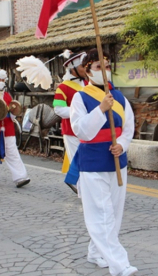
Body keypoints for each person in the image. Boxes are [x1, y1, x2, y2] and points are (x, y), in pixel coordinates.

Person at [69, 48, 137, 276]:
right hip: (92, 161)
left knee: (114, 213)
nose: (105, 71)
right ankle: (120, 265)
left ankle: (96, 252)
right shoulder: (80, 97)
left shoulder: (119, 97)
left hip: (117, 160)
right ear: (87, 71)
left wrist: (123, 145)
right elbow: (81, 131)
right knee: (102, 213)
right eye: (99, 67)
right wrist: (100, 110)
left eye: (107, 67)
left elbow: (128, 128)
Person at [0, 69, 30, 188]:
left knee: (12, 152)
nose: (1, 82)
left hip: (7, 129)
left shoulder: (7, 96)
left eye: (3, 80)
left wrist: (14, 111)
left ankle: (21, 177)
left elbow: (12, 113)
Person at [53, 51, 87, 193]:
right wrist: (79, 112)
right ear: (73, 68)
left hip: (87, 129)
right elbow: (58, 109)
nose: (86, 69)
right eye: (83, 66)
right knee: (78, 161)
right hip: (71, 131)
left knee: (85, 161)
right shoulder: (63, 87)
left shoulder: (88, 83)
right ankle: (83, 192)